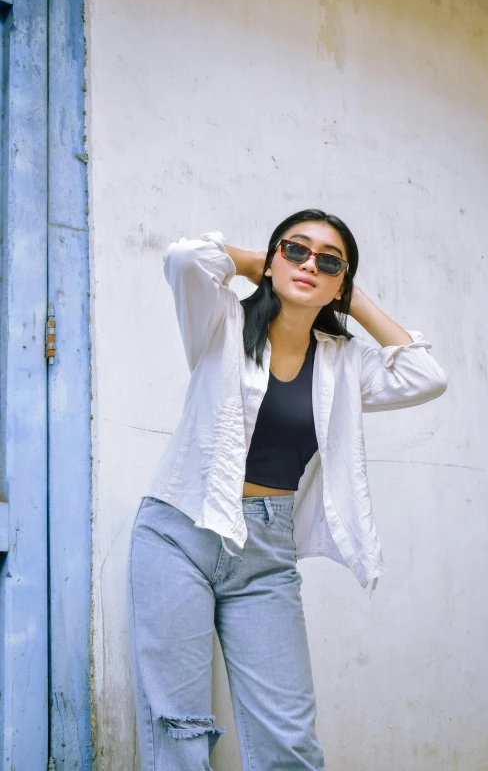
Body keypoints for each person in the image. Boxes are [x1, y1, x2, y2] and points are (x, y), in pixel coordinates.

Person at [128, 209, 448, 770]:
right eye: (296, 249)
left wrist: (349, 296)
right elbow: (184, 258)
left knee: (289, 740)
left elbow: (426, 376)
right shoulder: (221, 320)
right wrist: (265, 265)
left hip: (266, 553)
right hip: (179, 532)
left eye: (329, 261)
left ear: (341, 284)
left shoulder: (344, 362)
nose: (309, 265)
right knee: (178, 731)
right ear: (274, 255)